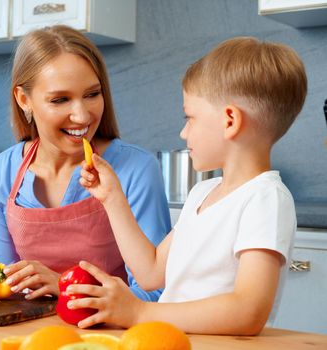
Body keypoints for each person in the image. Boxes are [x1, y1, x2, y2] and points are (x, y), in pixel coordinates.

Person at [68, 37, 308, 335]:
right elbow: (151, 273)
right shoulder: (203, 193)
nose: (183, 132)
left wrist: (141, 311)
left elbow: (249, 311)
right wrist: (113, 198)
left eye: (190, 117)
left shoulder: (265, 200)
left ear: (229, 121)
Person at [0, 25, 171, 300]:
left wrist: (66, 287)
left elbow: (158, 292)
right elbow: (8, 284)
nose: (81, 116)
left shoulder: (135, 169)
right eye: (60, 99)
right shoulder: (0, 172)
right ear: (24, 99)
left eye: (92, 94)